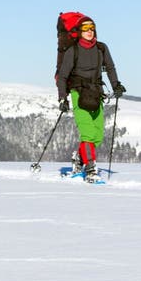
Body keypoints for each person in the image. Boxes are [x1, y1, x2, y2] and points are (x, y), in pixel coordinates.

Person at [57, 18, 125, 182]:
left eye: (92, 28)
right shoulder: (73, 50)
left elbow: (110, 67)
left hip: (96, 93)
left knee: (97, 135)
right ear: (80, 31)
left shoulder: (101, 48)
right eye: (86, 28)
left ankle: (79, 158)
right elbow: (63, 76)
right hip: (78, 94)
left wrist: (116, 85)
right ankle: (90, 170)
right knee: (88, 133)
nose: (89, 31)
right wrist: (63, 98)